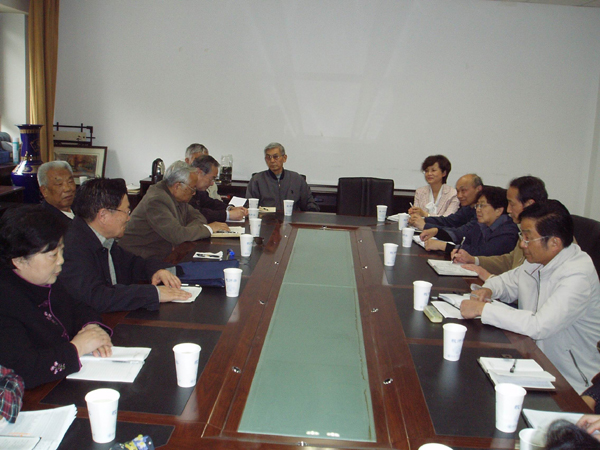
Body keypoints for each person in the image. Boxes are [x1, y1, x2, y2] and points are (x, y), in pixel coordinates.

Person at [460, 200, 600, 394]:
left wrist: (483, 309)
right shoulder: (537, 260)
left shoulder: (578, 274)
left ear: (554, 243)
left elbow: (539, 325)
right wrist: (489, 290)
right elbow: (506, 282)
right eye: (522, 236)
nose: (521, 244)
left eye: (527, 238)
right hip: (532, 359)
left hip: (570, 382)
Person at [0, 205, 113, 389]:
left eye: (61, 250)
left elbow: (77, 306)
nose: (61, 260)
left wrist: (91, 327)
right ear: (19, 261)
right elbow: (22, 371)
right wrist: (77, 348)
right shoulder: (6, 302)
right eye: (53, 255)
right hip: (35, 398)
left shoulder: (45, 279)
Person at [60, 178, 191, 313]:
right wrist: (154, 293)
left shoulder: (103, 240)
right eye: (126, 212)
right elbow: (97, 297)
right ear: (103, 216)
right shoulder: (71, 248)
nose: (128, 218)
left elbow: (133, 264)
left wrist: (158, 270)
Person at [119, 161, 229, 259]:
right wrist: (209, 228)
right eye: (192, 188)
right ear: (177, 186)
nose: (194, 193)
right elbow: (178, 236)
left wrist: (185, 231)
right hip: (138, 259)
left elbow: (198, 217)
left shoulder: (176, 195)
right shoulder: (157, 200)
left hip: (162, 254)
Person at [452, 175, 548, 280]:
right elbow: (509, 260)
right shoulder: (522, 231)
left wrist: (489, 277)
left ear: (529, 204)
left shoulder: (539, 237)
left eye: (512, 204)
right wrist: (474, 260)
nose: (508, 210)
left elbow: (521, 282)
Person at [422, 186, 519, 257]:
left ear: (498, 211)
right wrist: (437, 231)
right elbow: (461, 236)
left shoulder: (508, 232)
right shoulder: (481, 225)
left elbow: (482, 253)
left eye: (482, 205)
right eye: (477, 206)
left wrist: (444, 246)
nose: (478, 210)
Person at [410, 173, 483, 244]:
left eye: (463, 190)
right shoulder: (469, 207)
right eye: (457, 191)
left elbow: (460, 233)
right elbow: (449, 221)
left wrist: (426, 226)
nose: (459, 195)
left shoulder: (483, 211)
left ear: (478, 189)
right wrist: (424, 220)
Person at [246, 142, 319, 212]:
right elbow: (249, 205)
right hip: (266, 219)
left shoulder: (297, 179)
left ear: (284, 158)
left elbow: (310, 203)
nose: (272, 160)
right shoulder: (257, 180)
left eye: (275, 157)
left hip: (293, 219)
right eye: (268, 157)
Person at [188, 154, 247, 222]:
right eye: (211, 178)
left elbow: (211, 203)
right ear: (199, 172)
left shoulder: (199, 191)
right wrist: (228, 215)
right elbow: (197, 214)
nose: (212, 183)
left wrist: (230, 208)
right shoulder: (185, 189)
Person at [37, 161, 76, 227]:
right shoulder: (44, 222)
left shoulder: (81, 208)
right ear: (44, 191)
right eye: (59, 184)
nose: (67, 189)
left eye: (70, 182)